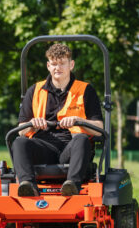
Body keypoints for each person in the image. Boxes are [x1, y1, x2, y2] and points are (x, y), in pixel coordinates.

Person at [12, 43, 104, 197]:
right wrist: (33, 125)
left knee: (82, 139)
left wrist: (78, 120)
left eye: (62, 63)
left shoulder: (85, 90)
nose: (58, 68)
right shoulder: (34, 90)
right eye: (54, 64)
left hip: (71, 145)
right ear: (48, 66)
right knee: (19, 142)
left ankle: (72, 185)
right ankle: (27, 185)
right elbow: (21, 130)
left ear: (71, 65)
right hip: (43, 146)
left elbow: (99, 128)